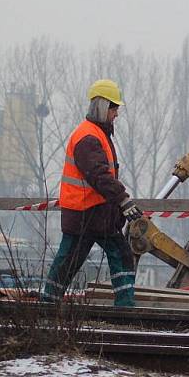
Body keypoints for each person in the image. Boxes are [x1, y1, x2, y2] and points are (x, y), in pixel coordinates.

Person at [42, 79, 143, 307]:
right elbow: (100, 176)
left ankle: (48, 302)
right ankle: (125, 307)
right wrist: (124, 200)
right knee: (114, 254)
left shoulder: (94, 134)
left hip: (89, 213)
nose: (116, 113)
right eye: (114, 108)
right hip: (88, 212)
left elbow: (101, 177)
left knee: (72, 259)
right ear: (103, 106)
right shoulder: (89, 138)